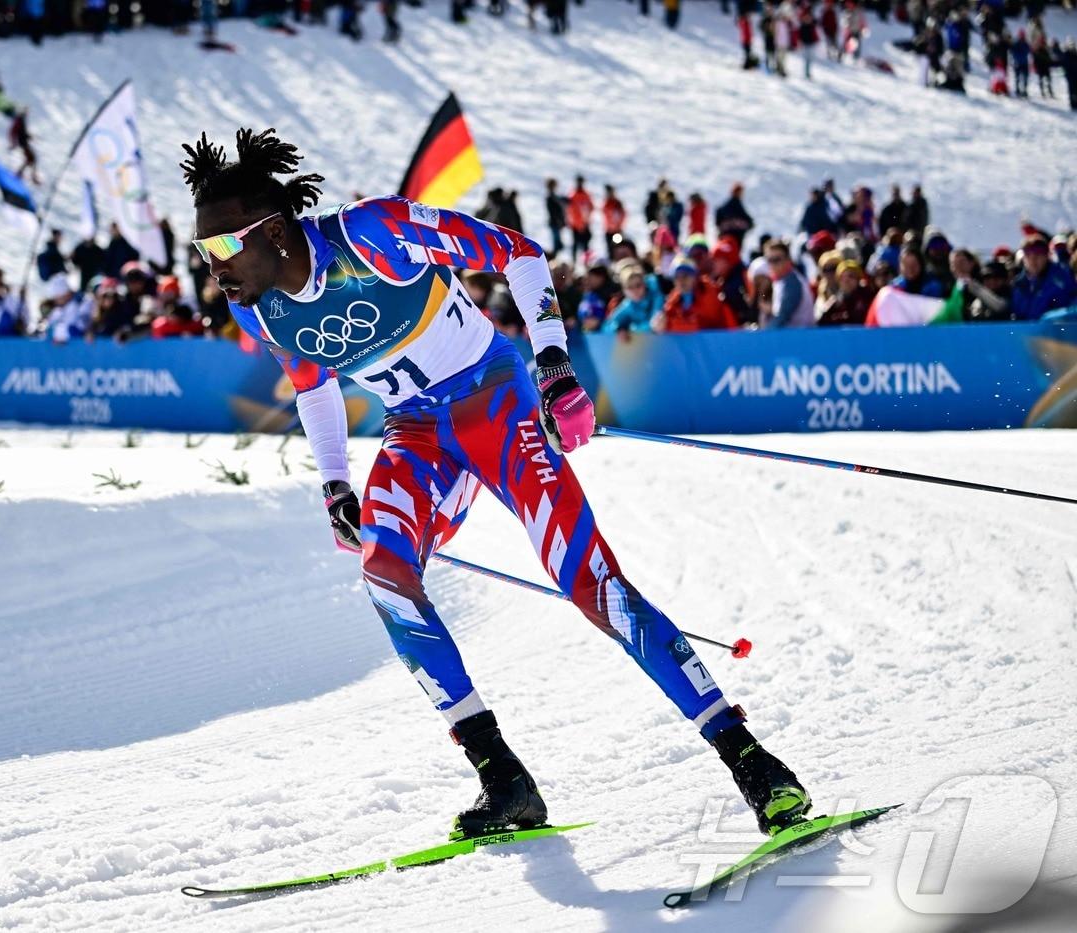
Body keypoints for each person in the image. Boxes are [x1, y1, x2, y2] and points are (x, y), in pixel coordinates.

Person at [181, 127, 814, 839]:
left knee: (590, 582)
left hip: (494, 404)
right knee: (385, 577)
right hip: (417, 431)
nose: (213, 267)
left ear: (274, 230)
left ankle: (750, 759)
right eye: (202, 250)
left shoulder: (373, 233)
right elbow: (313, 385)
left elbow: (520, 253)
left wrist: (555, 367)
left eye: (223, 245)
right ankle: (503, 779)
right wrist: (335, 486)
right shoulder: (256, 302)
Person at [658, 255, 738, 332]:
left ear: (695, 277)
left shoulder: (709, 296)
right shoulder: (672, 303)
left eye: (685, 276)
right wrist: (662, 326)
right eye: (677, 277)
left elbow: (706, 324)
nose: (681, 281)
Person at [1011, 235, 1077, 320]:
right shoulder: (1018, 285)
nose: (1033, 259)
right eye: (1028, 254)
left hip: (1057, 327)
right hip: (1026, 328)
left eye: (1038, 254)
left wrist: (1054, 316)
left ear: (1046, 255)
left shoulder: (1063, 280)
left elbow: (1072, 307)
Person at [763, 240, 815, 327]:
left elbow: (782, 318)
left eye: (776, 260)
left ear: (788, 260)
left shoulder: (792, 283)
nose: (772, 264)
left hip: (801, 334)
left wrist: (762, 334)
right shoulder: (781, 280)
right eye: (769, 260)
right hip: (793, 333)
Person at [815, 259, 873, 325]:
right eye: (842, 277)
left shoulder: (867, 297)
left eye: (851, 276)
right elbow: (820, 322)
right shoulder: (835, 302)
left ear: (858, 279)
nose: (846, 280)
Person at [9, 107, 41, 184]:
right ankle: (32, 177)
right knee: (32, 158)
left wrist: (29, 136)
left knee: (30, 159)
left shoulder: (22, 119)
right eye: (26, 112)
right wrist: (13, 143)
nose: (27, 113)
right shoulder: (19, 120)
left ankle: (20, 173)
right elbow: (14, 132)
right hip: (22, 143)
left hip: (23, 142)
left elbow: (22, 132)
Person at [566, 176, 593, 260]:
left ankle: (586, 261)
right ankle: (574, 260)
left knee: (585, 245)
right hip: (576, 225)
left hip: (585, 224)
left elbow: (590, 207)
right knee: (575, 244)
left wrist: (586, 221)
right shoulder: (572, 195)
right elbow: (570, 211)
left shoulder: (586, 195)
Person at [544, 178, 566, 259]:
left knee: (557, 242)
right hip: (555, 222)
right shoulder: (550, 197)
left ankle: (554, 257)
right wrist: (559, 220)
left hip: (556, 222)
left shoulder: (554, 196)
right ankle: (553, 258)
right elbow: (554, 211)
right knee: (557, 243)